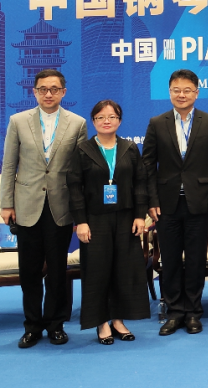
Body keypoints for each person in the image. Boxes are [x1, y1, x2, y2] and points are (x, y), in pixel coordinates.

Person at [0, 69, 88, 349]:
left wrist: (81, 211)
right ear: (34, 92)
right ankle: (32, 326)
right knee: (29, 271)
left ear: (63, 92)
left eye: (54, 89)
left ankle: (56, 324)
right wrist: (6, 203)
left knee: (58, 270)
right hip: (27, 205)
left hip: (60, 206)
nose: (48, 94)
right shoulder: (18, 121)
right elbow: (9, 165)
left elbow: (79, 171)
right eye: (42, 89)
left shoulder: (77, 123)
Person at [142, 69, 208, 336]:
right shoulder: (157, 123)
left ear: (196, 93)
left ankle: (193, 312)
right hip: (166, 204)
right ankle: (175, 311)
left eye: (187, 90)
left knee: (196, 260)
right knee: (170, 260)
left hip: (199, 202)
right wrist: (151, 201)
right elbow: (147, 166)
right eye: (176, 90)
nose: (181, 95)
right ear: (169, 93)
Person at [68, 100, 151, 344]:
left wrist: (140, 215)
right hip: (95, 220)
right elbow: (74, 187)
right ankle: (101, 322)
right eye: (101, 117)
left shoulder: (129, 148)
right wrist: (81, 221)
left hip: (126, 218)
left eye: (112, 117)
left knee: (124, 270)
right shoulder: (83, 150)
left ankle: (118, 320)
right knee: (97, 271)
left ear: (120, 121)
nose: (107, 121)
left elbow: (140, 183)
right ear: (93, 121)